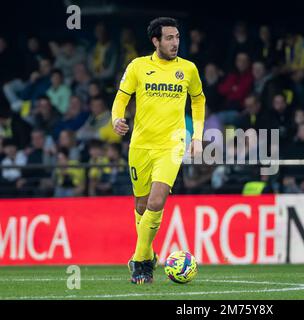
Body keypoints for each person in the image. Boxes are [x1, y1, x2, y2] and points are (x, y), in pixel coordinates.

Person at [111, 17, 205, 284]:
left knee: (156, 202)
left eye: (177, 37)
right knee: (141, 206)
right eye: (169, 38)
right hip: (140, 145)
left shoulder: (188, 69)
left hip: (172, 145)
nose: (175, 43)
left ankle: (140, 263)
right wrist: (116, 118)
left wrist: (197, 137)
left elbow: (198, 100)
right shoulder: (138, 66)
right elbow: (121, 96)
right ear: (156, 41)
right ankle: (148, 253)